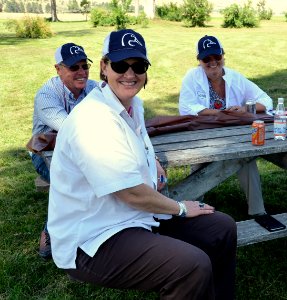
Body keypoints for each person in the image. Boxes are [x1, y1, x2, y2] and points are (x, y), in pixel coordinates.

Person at [47, 29, 237, 300]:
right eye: (120, 65)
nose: (130, 73)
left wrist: (153, 161)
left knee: (222, 227)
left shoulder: (132, 105)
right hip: (93, 237)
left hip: (134, 216)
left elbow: (137, 146)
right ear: (103, 67)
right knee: (191, 265)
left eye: (138, 66)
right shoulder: (92, 120)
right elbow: (130, 193)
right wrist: (181, 208)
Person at [179, 35, 272, 217]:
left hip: (234, 136)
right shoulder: (192, 77)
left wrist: (244, 108)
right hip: (201, 136)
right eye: (207, 59)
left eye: (217, 57)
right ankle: (192, 210)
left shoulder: (235, 78)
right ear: (199, 61)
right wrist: (221, 114)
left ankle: (258, 212)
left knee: (246, 158)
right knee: (199, 165)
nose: (213, 63)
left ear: (223, 56)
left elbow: (266, 101)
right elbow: (186, 108)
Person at [31, 43, 98, 259]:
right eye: (73, 67)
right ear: (58, 69)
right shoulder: (46, 95)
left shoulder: (94, 88)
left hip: (88, 149)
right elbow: (72, 128)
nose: (81, 72)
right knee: (76, 179)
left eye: (84, 66)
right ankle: (51, 229)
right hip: (46, 155)